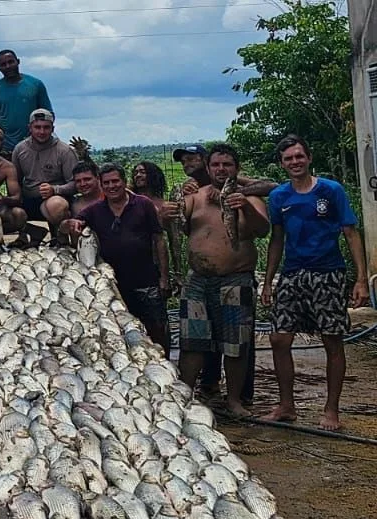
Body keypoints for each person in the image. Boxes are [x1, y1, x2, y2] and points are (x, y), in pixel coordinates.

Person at [260, 135, 368, 431]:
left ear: (308, 158)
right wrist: (269, 281)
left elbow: (350, 233)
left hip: (327, 273)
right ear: (282, 164)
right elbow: (277, 240)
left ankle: (331, 409)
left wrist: (361, 279)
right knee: (279, 338)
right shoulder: (279, 197)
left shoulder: (331, 191)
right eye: (288, 159)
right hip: (293, 274)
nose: (294, 162)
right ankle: (286, 405)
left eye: (299, 156)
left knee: (332, 340)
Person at [162, 144, 269, 418]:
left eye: (227, 165)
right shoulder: (196, 197)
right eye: (216, 165)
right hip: (198, 280)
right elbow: (174, 221)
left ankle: (234, 400)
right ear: (208, 169)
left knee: (236, 343)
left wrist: (245, 206)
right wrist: (167, 213)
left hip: (236, 278)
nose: (221, 170)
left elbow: (262, 229)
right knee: (192, 341)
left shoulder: (249, 197)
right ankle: (186, 394)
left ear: (236, 169)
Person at [62, 164, 170, 352]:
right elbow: (65, 228)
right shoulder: (94, 210)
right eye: (107, 183)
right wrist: (69, 224)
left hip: (146, 280)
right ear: (101, 186)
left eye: (115, 181)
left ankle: (166, 366)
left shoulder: (143, 204)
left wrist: (164, 278)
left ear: (124, 182)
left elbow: (159, 240)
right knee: (121, 331)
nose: (112, 186)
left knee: (157, 330)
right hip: (112, 285)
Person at [12, 109, 76, 242]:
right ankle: (27, 234)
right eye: (37, 127)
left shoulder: (64, 151)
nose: (42, 132)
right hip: (28, 199)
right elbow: (15, 180)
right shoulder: (20, 149)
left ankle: (60, 237)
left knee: (56, 205)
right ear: (30, 128)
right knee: (2, 210)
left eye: (46, 127)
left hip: (55, 200)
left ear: (52, 129)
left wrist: (55, 189)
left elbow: (75, 184)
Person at [0, 50, 52, 154]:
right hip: (5, 149)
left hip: (34, 147)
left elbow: (48, 115)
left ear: (18, 61)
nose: (8, 66)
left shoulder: (35, 84)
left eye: (11, 62)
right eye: (3, 64)